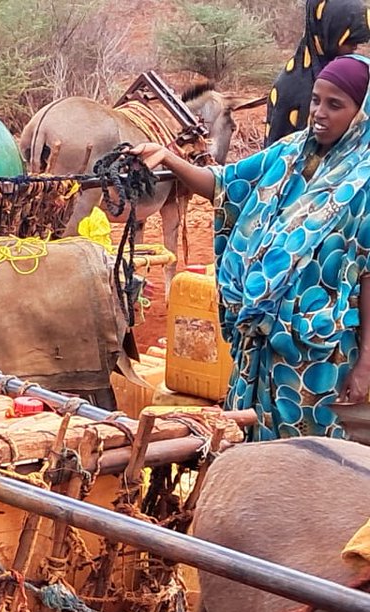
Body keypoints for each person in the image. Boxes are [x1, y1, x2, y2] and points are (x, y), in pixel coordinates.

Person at [131, 55, 370, 441]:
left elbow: (368, 276)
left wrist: (366, 366)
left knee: (310, 458)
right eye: (315, 100)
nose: (319, 113)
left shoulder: (364, 182)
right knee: (249, 442)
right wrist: (171, 160)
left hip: (317, 352)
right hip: (257, 342)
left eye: (335, 105)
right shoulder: (290, 153)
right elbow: (226, 187)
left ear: (362, 112)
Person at [265, 0, 369, 145]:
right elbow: (277, 153)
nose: (354, 49)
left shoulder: (351, 77)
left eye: (356, 43)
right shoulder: (292, 87)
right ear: (327, 32)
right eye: (349, 42)